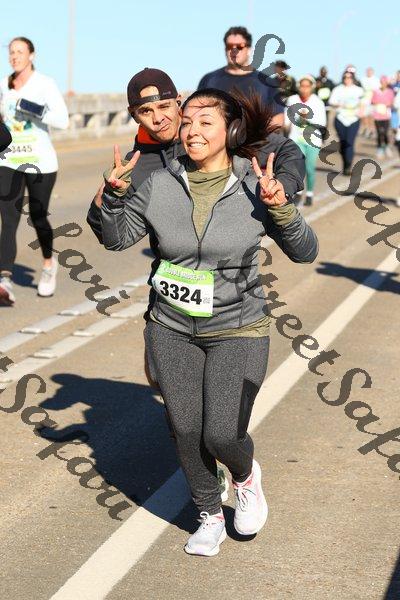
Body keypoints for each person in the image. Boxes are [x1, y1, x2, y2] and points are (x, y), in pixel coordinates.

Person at [97, 87, 318, 556]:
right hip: (171, 326)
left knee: (221, 433)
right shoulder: (161, 183)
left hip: (238, 326)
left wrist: (280, 206)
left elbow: (305, 251)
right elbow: (116, 239)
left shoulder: (254, 185)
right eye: (188, 122)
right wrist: (113, 198)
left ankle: (245, 476)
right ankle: (209, 513)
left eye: (205, 122)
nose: (192, 131)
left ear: (231, 131)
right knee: (185, 427)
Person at [0, 37, 69, 306]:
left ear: (32, 55)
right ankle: (4, 280)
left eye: (20, 51)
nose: (15, 56)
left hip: (40, 161)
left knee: (39, 217)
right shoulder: (4, 85)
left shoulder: (45, 84)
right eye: (11, 52)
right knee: (9, 219)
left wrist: (32, 108)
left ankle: (49, 264)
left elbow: (62, 120)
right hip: (9, 159)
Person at [197, 26, 284, 128]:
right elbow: (197, 111)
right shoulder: (209, 80)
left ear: (249, 50)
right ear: (225, 49)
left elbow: (279, 118)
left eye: (239, 46)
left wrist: (255, 133)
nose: (234, 50)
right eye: (229, 46)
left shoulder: (267, 83)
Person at [285, 75, 326, 206]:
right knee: (298, 166)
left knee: (309, 167)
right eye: (302, 86)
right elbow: (287, 118)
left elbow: (322, 122)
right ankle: (298, 192)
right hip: (296, 138)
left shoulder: (318, 102)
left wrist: (307, 118)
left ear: (312, 88)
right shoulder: (292, 99)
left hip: (313, 139)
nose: (304, 89)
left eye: (307, 86)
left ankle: (309, 193)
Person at [329, 71, 364, 175]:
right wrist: (339, 104)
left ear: (353, 78)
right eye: (345, 77)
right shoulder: (337, 89)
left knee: (350, 142)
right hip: (341, 119)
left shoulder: (358, 90)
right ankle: (345, 163)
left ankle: (348, 165)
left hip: (353, 119)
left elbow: (364, 102)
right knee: (343, 143)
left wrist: (361, 110)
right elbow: (331, 101)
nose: (347, 79)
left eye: (349, 77)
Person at [371, 76, 395, 158]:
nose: (383, 84)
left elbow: (392, 102)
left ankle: (386, 146)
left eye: (385, 82)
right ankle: (379, 148)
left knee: (385, 132)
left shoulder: (390, 91)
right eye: (382, 82)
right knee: (379, 132)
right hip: (377, 115)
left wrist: (388, 105)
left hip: (386, 115)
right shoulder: (376, 91)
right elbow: (372, 101)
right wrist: (377, 104)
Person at [360, 67, 380, 138]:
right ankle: (366, 128)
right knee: (364, 115)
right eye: (367, 71)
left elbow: (377, 90)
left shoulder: (376, 80)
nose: (368, 73)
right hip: (364, 100)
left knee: (372, 116)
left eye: (370, 71)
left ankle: (372, 130)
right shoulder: (362, 79)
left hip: (373, 100)